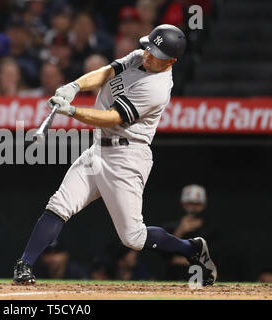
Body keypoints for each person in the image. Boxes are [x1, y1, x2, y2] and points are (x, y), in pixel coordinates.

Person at [13, 25, 217, 287]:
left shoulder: (157, 88)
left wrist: (72, 111)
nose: (147, 54)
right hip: (98, 149)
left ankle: (191, 249)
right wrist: (75, 86)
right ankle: (25, 263)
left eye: (155, 53)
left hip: (127, 157)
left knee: (133, 238)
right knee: (59, 205)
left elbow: (113, 117)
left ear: (172, 61)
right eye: (148, 48)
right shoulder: (139, 56)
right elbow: (106, 73)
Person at [161, 184, 216, 281]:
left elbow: (212, 260)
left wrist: (177, 260)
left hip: (203, 280)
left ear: (203, 205)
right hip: (173, 279)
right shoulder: (169, 227)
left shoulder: (210, 229)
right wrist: (180, 231)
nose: (193, 208)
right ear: (183, 204)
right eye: (189, 203)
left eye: (197, 204)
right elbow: (164, 256)